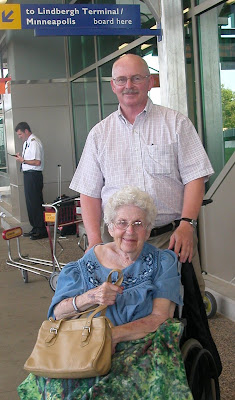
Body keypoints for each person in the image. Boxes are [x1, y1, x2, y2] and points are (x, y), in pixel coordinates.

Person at [17, 186, 193, 400]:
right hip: (87, 342)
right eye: (122, 223)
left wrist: (111, 337)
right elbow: (57, 315)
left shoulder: (162, 262)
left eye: (138, 224)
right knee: (58, 388)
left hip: (141, 345)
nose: (130, 231)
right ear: (110, 227)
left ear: (148, 230)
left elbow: (161, 317)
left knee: (115, 390)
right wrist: (90, 297)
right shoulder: (83, 265)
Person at [69, 54, 214, 296]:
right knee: (122, 307)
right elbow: (89, 191)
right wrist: (94, 241)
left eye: (137, 78)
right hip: (117, 243)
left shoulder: (176, 123)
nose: (129, 85)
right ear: (113, 86)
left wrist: (188, 224)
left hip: (170, 239)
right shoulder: (99, 134)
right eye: (122, 79)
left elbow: (195, 177)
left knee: (184, 305)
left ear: (150, 82)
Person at [15, 122, 48, 240]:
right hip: (28, 175)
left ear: (26, 131)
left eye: (20, 134)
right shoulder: (26, 143)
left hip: (34, 175)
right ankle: (35, 227)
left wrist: (23, 160)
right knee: (30, 203)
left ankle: (41, 229)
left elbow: (37, 162)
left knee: (35, 202)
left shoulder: (34, 142)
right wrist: (22, 159)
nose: (19, 137)